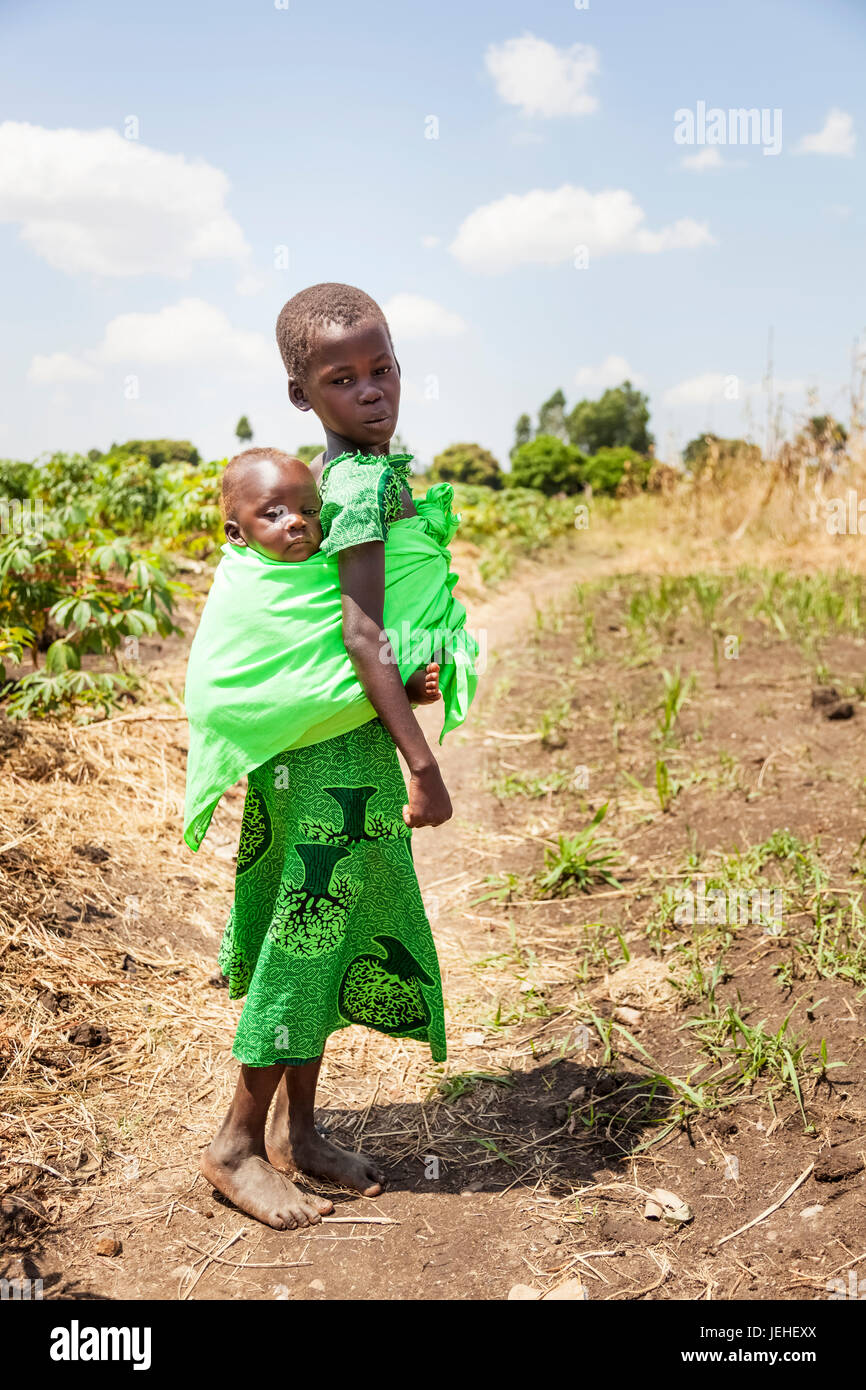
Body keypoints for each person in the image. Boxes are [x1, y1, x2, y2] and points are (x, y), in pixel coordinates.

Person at [191, 284, 476, 1229]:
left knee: (323, 935)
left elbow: (346, 626)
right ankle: (236, 1145)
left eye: (382, 368)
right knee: (304, 940)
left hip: (324, 746)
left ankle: (299, 1135)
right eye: (341, 378)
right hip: (331, 763)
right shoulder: (356, 481)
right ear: (301, 394)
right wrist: (424, 765)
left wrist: (401, 674)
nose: (372, 391)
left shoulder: (346, 470)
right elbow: (359, 633)